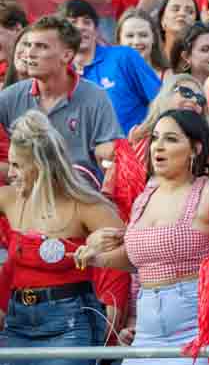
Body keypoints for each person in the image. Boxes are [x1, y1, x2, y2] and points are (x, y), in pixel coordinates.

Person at [75, 109, 209, 364]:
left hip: (199, 323)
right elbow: (138, 260)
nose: (158, 147)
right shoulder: (144, 197)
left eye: (171, 139)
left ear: (196, 148)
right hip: (147, 329)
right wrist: (97, 258)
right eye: (155, 138)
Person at [0, 111, 124, 364]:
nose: (9, 173)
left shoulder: (84, 205)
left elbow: (131, 254)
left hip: (70, 323)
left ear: (40, 166)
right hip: (17, 324)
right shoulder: (9, 198)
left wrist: (97, 257)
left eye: (16, 165)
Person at [0, 15, 122, 180]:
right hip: (26, 195)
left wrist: (111, 153)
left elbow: (110, 157)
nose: (30, 53)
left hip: (79, 198)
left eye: (41, 46)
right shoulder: (9, 98)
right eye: (28, 45)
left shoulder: (95, 97)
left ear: (66, 56)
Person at [60, 0, 161, 136]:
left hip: (134, 151)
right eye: (73, 22)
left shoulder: (123, 56)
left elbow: (161, 99)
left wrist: (142, 131)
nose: (81, 27)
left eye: (87, 22)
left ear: (96, 31)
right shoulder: (61, 74)